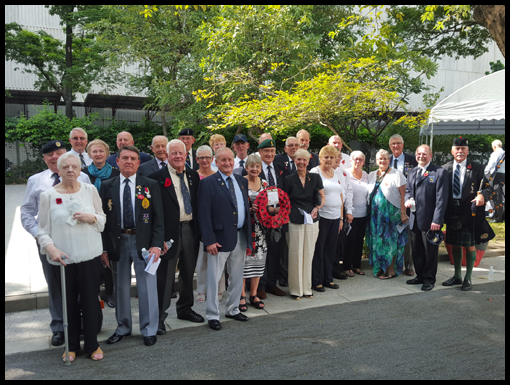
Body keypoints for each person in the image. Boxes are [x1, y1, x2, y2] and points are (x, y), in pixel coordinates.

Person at [20, 140, 91, 347]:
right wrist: (38, 235)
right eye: (49, 154)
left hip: (78, 238)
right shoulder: (36, 180)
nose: (54, 157)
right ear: (44, 158)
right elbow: (26, 211)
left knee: (79, 283)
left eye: (59, 153)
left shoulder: (83, 177)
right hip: (50, 242)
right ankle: (60, 327)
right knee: (56, 285)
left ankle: (79, 325)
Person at [37, 152, 106, 362]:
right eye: (65, 167)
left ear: (79, 169)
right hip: (63, 259)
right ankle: (72, 345)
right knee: (68, 304)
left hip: (90, 256)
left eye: (74, 167)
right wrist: (51, 249)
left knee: (90, 301)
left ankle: (93, 344)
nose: (70, 170)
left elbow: (102, 220)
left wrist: (91, 217)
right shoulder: (48, 196)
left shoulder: (90, 190)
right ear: (58, 169)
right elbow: (42, 231)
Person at [100, 145, 164, 346]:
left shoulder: (150, 185)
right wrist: (103, 248)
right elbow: (103, 220)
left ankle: (148, 329)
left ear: (139, 163)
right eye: (124, 158)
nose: (128, 161)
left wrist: (156, 245)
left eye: (133, 158)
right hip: (118, 242)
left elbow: (158, 218)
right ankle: (123, 327)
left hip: (143, 242)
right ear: (117, 162)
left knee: (147, 287)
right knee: (120, 287)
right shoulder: (107, 185)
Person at [147, 139, 204, 335]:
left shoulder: (194, 175)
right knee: (165, 276)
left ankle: (185, 309)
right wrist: (157, 238)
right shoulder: (156, 178)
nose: (178, 156)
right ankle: (160, 316)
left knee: (188, 272)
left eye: (182, 153)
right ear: (167, 156)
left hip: (190, 229)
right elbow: (153, 212)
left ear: (186, 155)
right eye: (174, 153)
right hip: (167, 234)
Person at [197, 147, 252, 330]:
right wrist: (209, 240)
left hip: (240, 236)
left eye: (230, 160)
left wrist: (249, 239)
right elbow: (204, 214)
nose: (227, 163)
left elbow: (244, 208)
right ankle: (213, 314)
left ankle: (233, 309)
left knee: (237, 276)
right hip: (218, 239)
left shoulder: (241, 181)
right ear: (216, 162)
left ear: (234, 161)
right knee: (214, 277)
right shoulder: (208, 183)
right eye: (223, 160)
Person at [441, 137, 490, 291]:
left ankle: (468, 278)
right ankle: (457, 276)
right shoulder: (445, 168)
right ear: (452, 151)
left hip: (469, 211)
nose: (460, 151)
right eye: (457, 148)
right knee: (454, 244)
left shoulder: (476, 168)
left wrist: (483, 195)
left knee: (470, 246)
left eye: (463, 149)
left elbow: (488, 186)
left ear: (467, 151)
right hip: (451, 211)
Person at [404, 145, 449, 291]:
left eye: (424, 154)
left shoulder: (439, 172)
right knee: (417, 249)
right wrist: (408, 199)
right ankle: (420, 275)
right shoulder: (412, 171)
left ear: (431, 155)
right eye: (418, 154)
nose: (421, 156)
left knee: (430, 251)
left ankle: (429, 279)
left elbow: (441, 199)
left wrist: (437, 220)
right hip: (414, 218)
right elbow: (408, 190)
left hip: (430, 221)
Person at [82, 139, 120, 308]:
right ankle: (93, 292)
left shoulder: (115, 172)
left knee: (108, 256)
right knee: (92, 257)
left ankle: (110, 292)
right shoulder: (83, 174)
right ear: (89, 154)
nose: (98, 154)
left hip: (109, 219)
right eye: (94, 151)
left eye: (101, 151)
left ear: (107, 153)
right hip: (89, 220)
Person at [284, 148, 325, 300]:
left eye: (304, 160)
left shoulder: (315, 178)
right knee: (295, 254)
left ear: (308, 162)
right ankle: (296, 290)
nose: (301, 162)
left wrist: (317, 208)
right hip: (294, 219)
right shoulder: (288, 179)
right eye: (298, 160)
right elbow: (285, 201)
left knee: (309, 253)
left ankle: (307, 288)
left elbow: (322, 197)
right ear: (295, 161)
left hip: (312, 219)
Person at [310, 145, 349, 292]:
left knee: (331, 250)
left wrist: (340, 218)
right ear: (320, 158)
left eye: (332, 157)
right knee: (319, 249)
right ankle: (317, 280)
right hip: (322, 216)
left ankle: (328, 279)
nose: (329, 160)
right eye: (326, 157)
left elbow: (340, 195)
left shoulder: (337, 173)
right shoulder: (315, 172)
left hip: (335, 217)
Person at [366, 149, 408, 279]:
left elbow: (403, 195)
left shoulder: (397, 174)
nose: (382, 161)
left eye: (385, 158)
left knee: (390, 241)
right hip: (375, 216)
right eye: (380, 159)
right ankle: (379, 267)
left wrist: (403, 213)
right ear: (376, 161)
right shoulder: (372, 174)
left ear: (389, 160)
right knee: (378, 241)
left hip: (391, 215)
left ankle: (391, 270)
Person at [256, 139, 288, 298]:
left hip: (278, 217)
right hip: (260, 217)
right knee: (262, 251)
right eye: (266, 151)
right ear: (260, 152)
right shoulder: (255, 169)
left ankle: (271, 283)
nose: (269, 154)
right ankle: (260, 284)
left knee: (276, 250)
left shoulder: (281, 169)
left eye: (272, 151)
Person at [194, 145, 225, 303]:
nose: (205, 160)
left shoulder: (219, 176)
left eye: (207, 157)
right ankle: (201, 290)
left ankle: (219, 289)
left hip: (218, 222)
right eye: (201, 158)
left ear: (213, 159)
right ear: (196, 159)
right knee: (202, 259)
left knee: (218, 258)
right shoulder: (193, 177)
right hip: (200, 223)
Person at [240, 154, 268, 311]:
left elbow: (272, 203)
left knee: (258, 260)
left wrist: (271, 210)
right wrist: (249, 210)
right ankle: (242, 295)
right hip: (245, 228)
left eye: (257, 166)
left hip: (261, 229)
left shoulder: (265, 183)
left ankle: (254, 294)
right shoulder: (241, 182)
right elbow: (236, 204)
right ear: (246, 167)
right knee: (244, 262)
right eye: (252, 166)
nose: (255, 169)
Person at [388, 133, 418, 276]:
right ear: (390, 146)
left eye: (398, 143)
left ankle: (409, 265)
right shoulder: (385, 160)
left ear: (403, 144)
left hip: (408, 201)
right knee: (392, 235)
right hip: (390, 204)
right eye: (393, 144)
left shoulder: (412, 160)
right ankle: (392, 265)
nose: (396, 146)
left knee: (408, 235)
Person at [343, 151, 369, 276]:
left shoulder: (366, 175)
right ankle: (347, 266)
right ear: (351, 160)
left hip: (363, 213)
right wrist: (348, 212)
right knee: (350, 241)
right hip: (350, 214)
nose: (357, 162)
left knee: (359, 241)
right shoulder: (346, 174)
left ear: (363, 162)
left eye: (360, 159)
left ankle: (357, 265)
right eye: (355, 159)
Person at [484, 139, 505, 222]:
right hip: (503, 175)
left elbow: (491, 164)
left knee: (496, 196)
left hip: (496, 175)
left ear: (494, 146)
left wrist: (485, 172)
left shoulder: (495, 153)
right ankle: (501, 215)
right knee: (502, 196)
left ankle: (497, 217)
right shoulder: (503, 153)